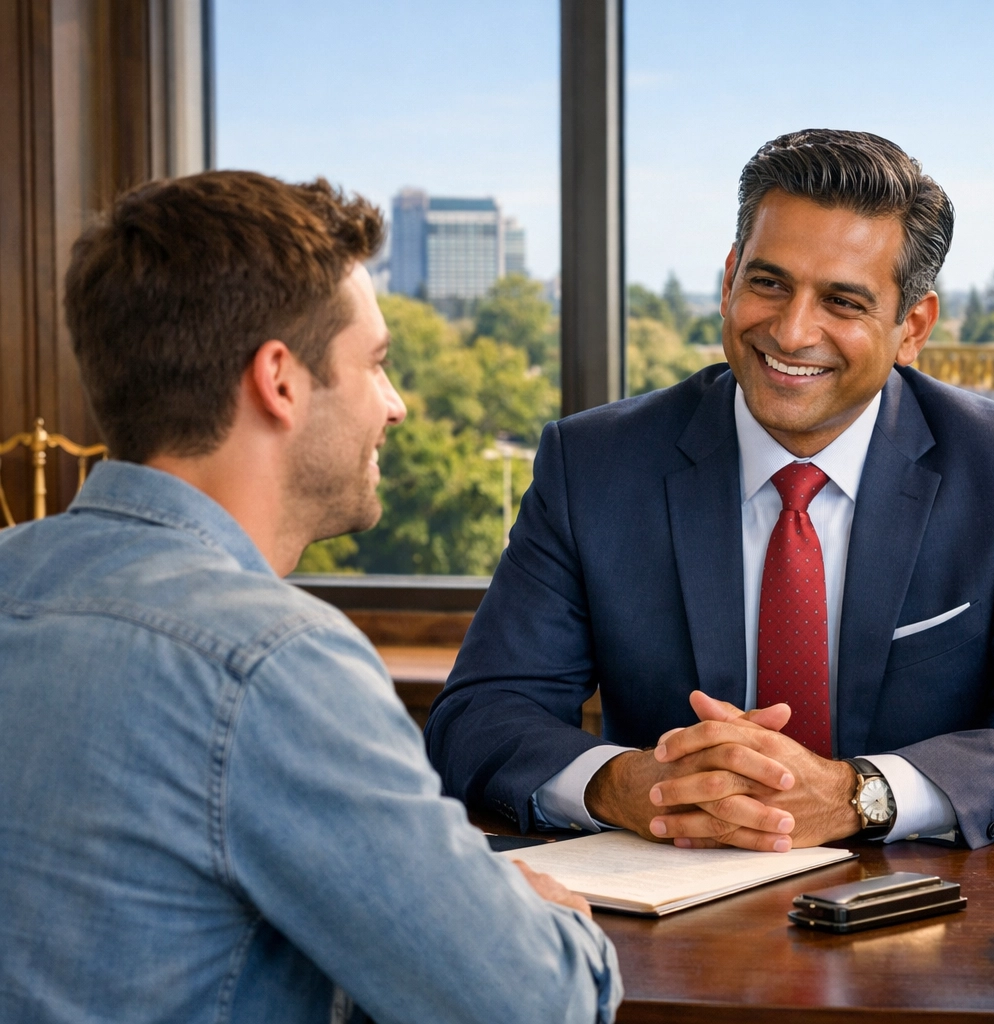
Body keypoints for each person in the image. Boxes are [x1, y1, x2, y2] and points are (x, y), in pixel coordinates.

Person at [0, 172, 620, 1023]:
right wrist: (536, 920)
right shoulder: (271, 663)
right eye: (376, 364)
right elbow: (537, 1003)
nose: (395, 407)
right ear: (280, 381)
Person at [426, 129, 994, 853]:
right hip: (663, 910)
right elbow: (481, 716)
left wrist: (859, 795)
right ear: (730, 279)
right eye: (768, 283)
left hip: (918, 922)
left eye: (842, 301)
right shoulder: (594, 465)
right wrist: (627, 785)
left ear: (913, 327)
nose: (793, 331)